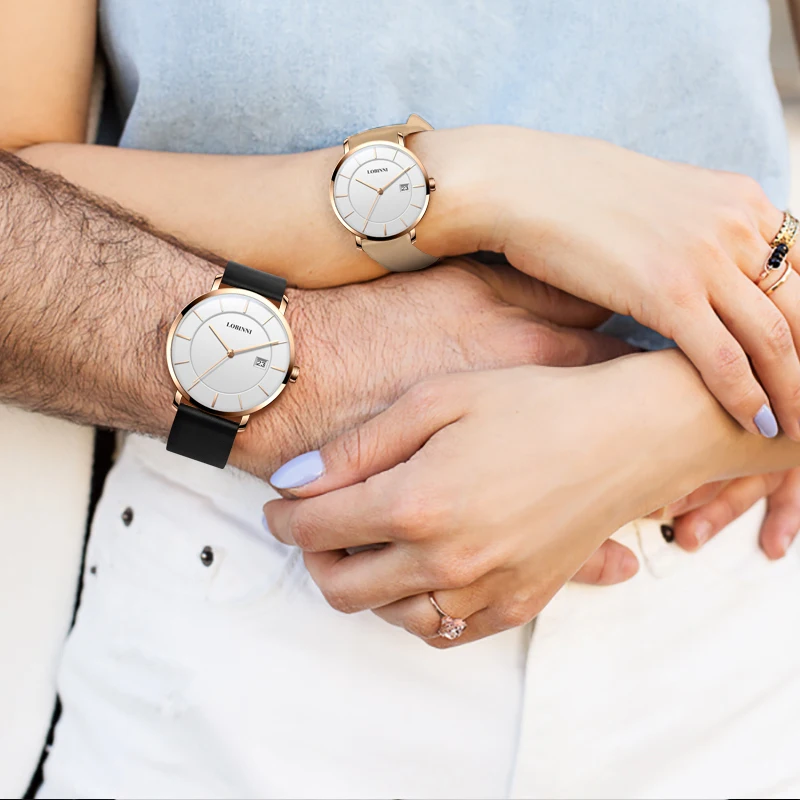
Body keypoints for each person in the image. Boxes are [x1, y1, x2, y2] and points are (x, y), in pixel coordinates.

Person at [1, 0, 800, 796]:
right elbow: (15, 196)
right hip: (254, 592)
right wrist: (478, 184)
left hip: (727, 606)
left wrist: (676, 425)